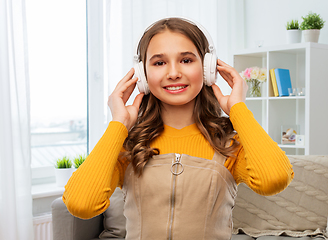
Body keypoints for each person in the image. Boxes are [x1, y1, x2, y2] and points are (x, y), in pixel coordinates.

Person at [63, 17, 294, 239]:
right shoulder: (128, 146)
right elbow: (81, 204)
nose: (173, 73)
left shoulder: (228, 144)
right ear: (143, 74)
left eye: (186, 60)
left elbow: (274, 179)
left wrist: (238, 109)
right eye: (159, 62)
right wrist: (118, 125)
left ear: (207, 68)